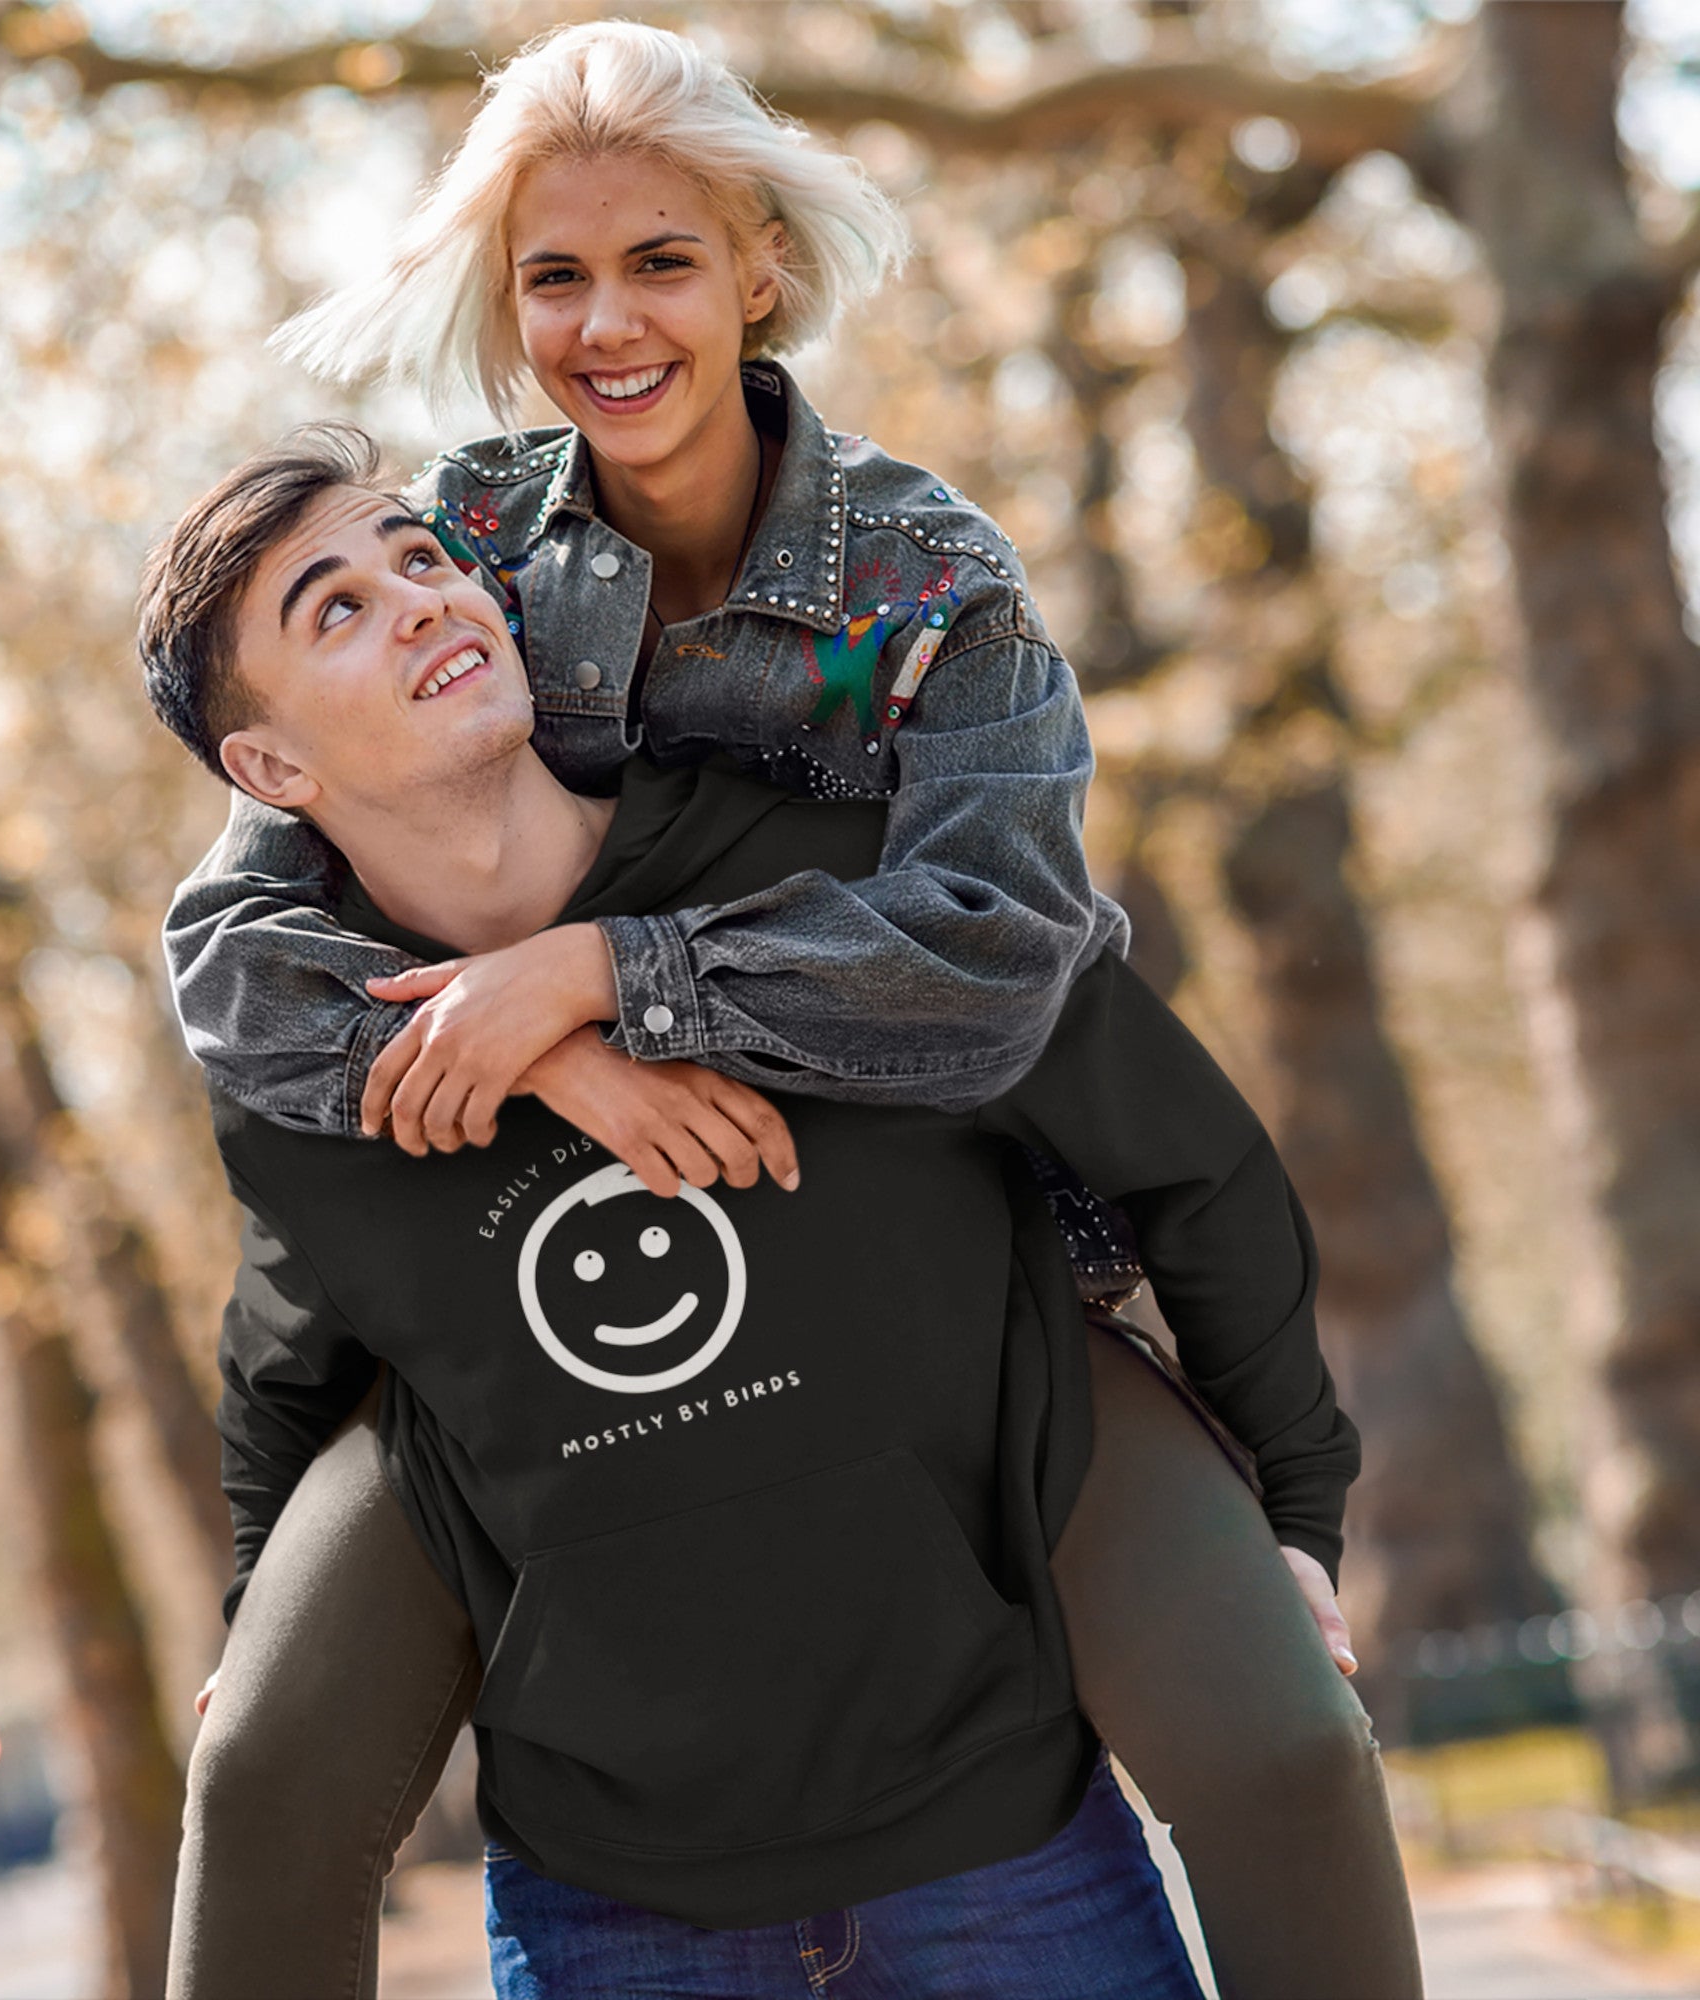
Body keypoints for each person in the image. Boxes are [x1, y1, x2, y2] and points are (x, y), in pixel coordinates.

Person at [144, 427, 1419, 2000]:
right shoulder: (309, 1062)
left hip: (1000, 1853)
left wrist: (1295, 1511)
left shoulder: (842, 876)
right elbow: (290, 1349)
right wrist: (259, 1628)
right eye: (331, 609)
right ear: (269, 774)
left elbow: (1192, 1162)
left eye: (420, 555)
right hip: (617, 1901)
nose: (416, 600)